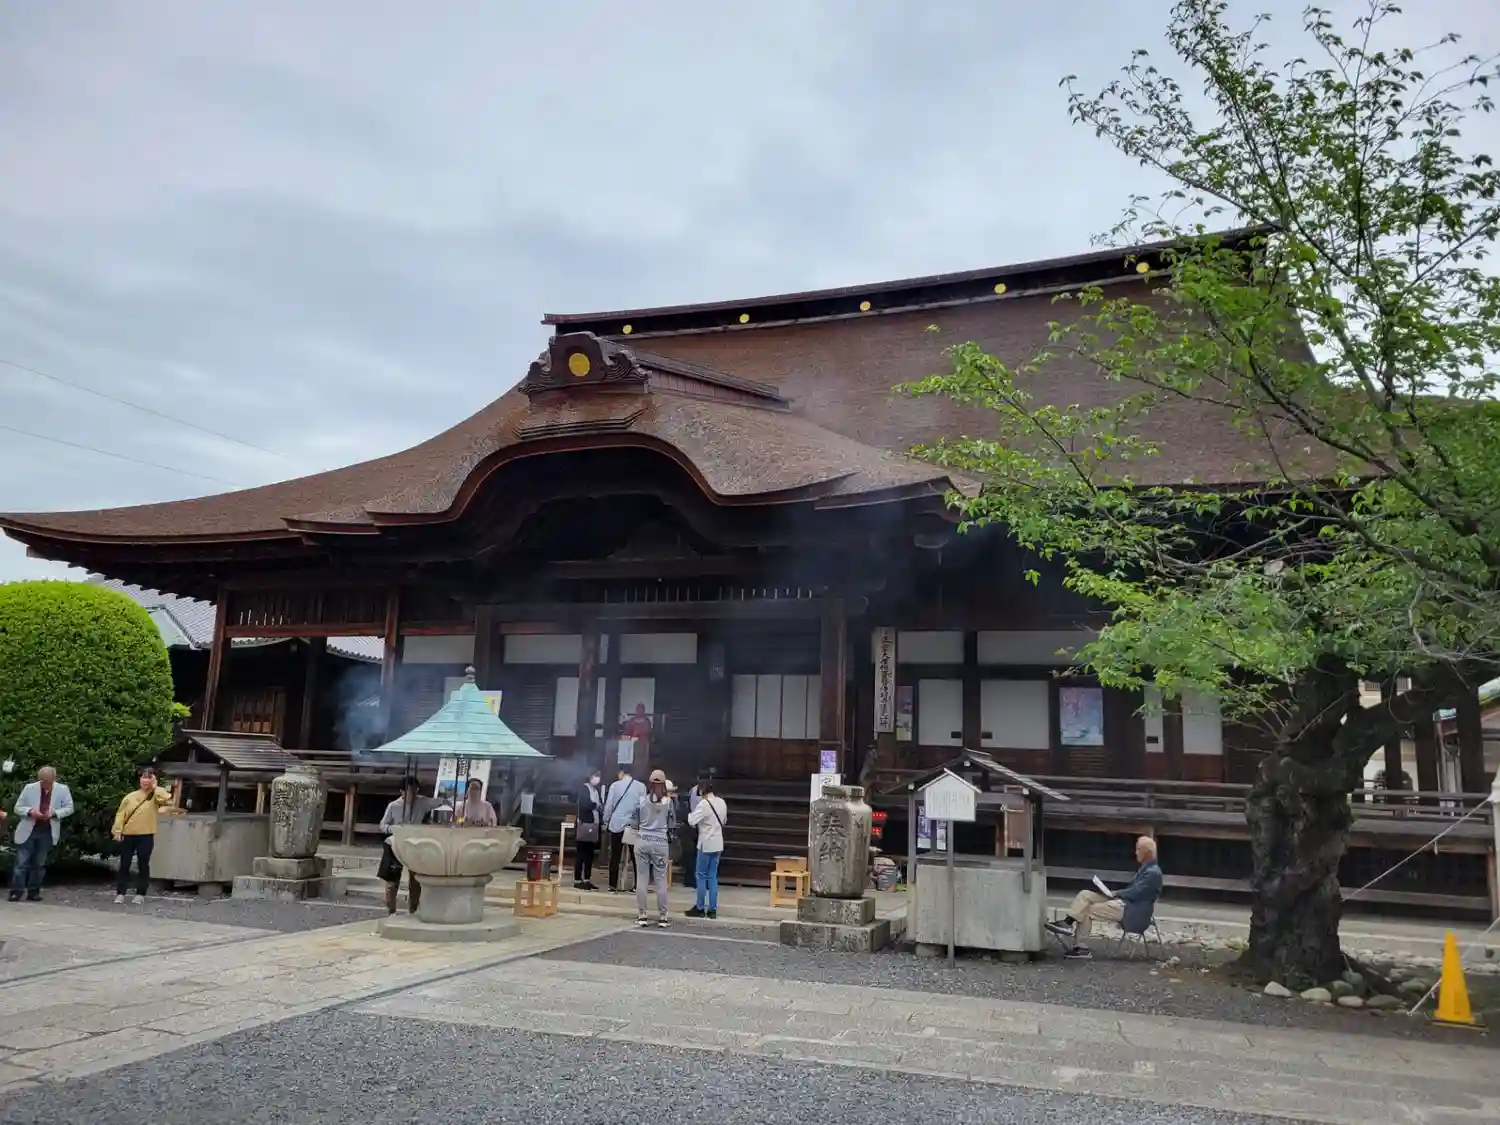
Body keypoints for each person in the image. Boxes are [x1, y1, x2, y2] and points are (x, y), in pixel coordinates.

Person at [1045, 836, 1163, 960]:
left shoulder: (1153, 873)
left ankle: (1082, 948)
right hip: (1125, 903)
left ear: (1146, 852)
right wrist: (1111, 894)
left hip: (1132, 911)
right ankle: (1067, 922)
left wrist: (1115, 893)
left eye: (1138, 849)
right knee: (1085, 894)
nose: (1136, 852)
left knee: (1087, 909)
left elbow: (1135, 893)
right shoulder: (1147, 869)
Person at [111, 768, 176, 905]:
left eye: (149, 778)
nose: (145, 780)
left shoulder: (155, 796)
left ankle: (140, 893)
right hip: (128, 834)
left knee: (143, 864)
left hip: (146, 834)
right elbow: (121, 814)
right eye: (143, 777)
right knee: (124, 864)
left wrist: (155, 786)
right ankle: (120, 893)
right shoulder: (130, 796)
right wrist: (117, 830)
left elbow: (166, 799)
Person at [378, 776, 436, 915]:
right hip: (396, 843)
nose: (413, 795)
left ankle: (413, 909)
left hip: (414, 844)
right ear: (402, 792)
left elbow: (437, 803)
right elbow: (383, 824)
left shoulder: (422, 803)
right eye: (410, 791)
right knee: (392, 880)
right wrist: (394, 829)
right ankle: (391, 910)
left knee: (415, 880)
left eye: (415, 791)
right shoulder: (394, 806)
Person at [11, 766, 70, 902]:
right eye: (42, 781)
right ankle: (16, 892)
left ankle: (33, 892)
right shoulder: (29, 788)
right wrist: (30, 811)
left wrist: (54, 813)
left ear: (54, 779)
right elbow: (18, 808)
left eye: (48, 782)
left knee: (39, 864)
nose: (45, 784)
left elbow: (69, 808)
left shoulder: (62, 789)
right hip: (28, 830)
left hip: (47, 831)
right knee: (21, 863)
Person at [629, 768, 675, 928]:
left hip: (642, 841)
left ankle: (642, 915)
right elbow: (672, 824)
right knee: (661, 880)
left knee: (642, 878)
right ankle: (663, 916)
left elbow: (634, 823)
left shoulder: (641, 801)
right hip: (660, 842)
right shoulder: (669, 803)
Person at [684, 779, 727, 919]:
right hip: (718, 843)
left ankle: (700, 907)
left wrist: (689, 813)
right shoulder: (722, 802)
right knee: (712, 876)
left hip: (706, 843)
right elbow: (724, 821)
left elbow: (692, 821)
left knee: (701, 875)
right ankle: (713, 909)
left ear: (702, 791)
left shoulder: (703, 804)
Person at [602, 766, 643, 893]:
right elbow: (643, 807)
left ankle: (612, 885)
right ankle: (638, 885)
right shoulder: (641, 787)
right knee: (636, 857)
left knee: (615, 855)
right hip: (632, 824)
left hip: (617, 824)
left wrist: (606, 820)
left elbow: (609, 805)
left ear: (621, 773)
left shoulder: (615, 786)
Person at [573, 768, 604, 890]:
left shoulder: (595, 790)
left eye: (599, 776)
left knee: (590, 854)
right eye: (596, 775)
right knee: (581, 853)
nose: (597, 778)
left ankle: (587, 879)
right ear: (590, 776)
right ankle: (577, 879)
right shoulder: (584, 789)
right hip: (585, 824)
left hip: (594, 824)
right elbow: (585, 804)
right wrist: (596, 805)